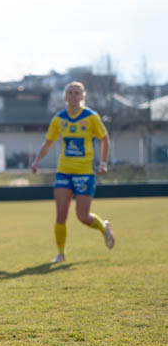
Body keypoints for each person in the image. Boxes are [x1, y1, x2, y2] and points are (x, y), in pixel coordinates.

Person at [30, 81, 115, 263]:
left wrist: (103, 163)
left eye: (77, 93)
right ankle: (60, 254)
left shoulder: (92, 117)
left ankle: (103, 227)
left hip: (85, 172)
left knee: (83, 217)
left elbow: (104, 139)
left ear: (83, 96)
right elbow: (48, 143)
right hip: (63, 172)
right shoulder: (59, 119)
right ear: (65, 97)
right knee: (61, 213)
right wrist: (37, 161)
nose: (74, 96)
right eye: (70, 93)